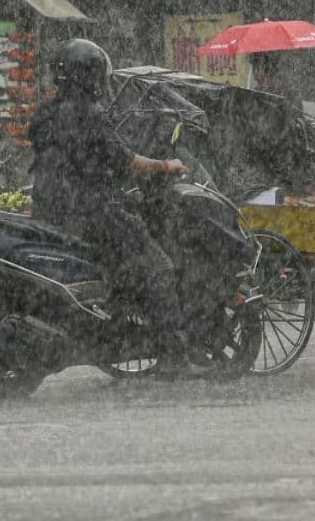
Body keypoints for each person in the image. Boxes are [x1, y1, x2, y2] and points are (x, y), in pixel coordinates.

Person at [29, 38, 208, 378]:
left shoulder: (46, 113)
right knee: (160, 268)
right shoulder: (90, 115)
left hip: (50, 212)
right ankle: (172, 357)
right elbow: (124, 159)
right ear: (92, 77)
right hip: (93, 214)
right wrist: (165, 165)